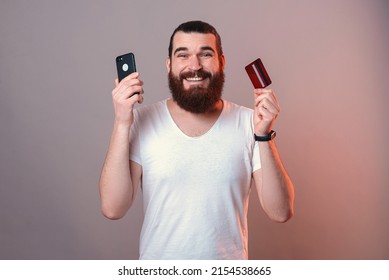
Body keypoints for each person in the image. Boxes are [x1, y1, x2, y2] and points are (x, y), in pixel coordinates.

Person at [99, 20, 294, 260]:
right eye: (183, 55)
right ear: (169, 64)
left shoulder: (249, 123)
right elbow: (112, 207)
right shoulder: (140, 120)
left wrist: (264, 134)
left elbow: (281, 212)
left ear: (221, 62)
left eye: (205, 54)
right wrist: (120, 122)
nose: (195, 66)